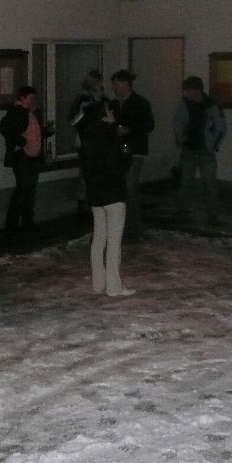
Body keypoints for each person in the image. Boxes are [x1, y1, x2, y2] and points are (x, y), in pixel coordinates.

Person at [79, 101, 135, 296]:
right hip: (113, 193)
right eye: (110, 111)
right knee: (114, 241)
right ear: (104, 115)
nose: (113, 114)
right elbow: (123, 162)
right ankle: (114, 286)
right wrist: (124, 142)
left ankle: (98, 283)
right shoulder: (111, 136)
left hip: (96, 194)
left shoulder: (87, 136)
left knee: (99, 238)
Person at [172, 75, 227, 224]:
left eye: (187, 90)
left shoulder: (211, 105)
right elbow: (177, 123)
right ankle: (183, 210)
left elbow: (221, 127)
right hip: (189, 150)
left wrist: (213, 145)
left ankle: (213, 214)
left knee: (210, 184)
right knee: (186, 183)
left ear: (196, 90)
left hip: (205, 151)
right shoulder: (185, 104)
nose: (185, 93)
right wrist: (182, 141)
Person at [0, 85, 53, 234]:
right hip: (23, 156)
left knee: (29, 190)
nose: (33, 101)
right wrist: (19, 141)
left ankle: (26, 221)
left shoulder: (29, 113)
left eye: (34, 98)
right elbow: (4, 128)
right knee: (23, 189)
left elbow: (33, 133)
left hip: (32, 156)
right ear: (22, 98)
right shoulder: (17, 112)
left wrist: (46, 132)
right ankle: (13, 224)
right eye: (30, 98)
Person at [108, 69, 155, 241]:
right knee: (120, 188)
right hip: (121, 149)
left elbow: (148, 125)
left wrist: (129, 129)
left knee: (129, 187)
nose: (113, 87)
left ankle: (135, 227)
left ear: (124, 84)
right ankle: (125, 226)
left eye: (115, 84)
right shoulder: (114, 104)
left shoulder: (140, 103)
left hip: (134, 149)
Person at [67, 70, 104, 217]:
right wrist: (87, 110)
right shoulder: (83, 99)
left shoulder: (101, 99)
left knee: (94, 170)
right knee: (87, 171)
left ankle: (91, 199)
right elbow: (74, 120)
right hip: (87, 140)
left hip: (98, 140)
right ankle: (84, 201)